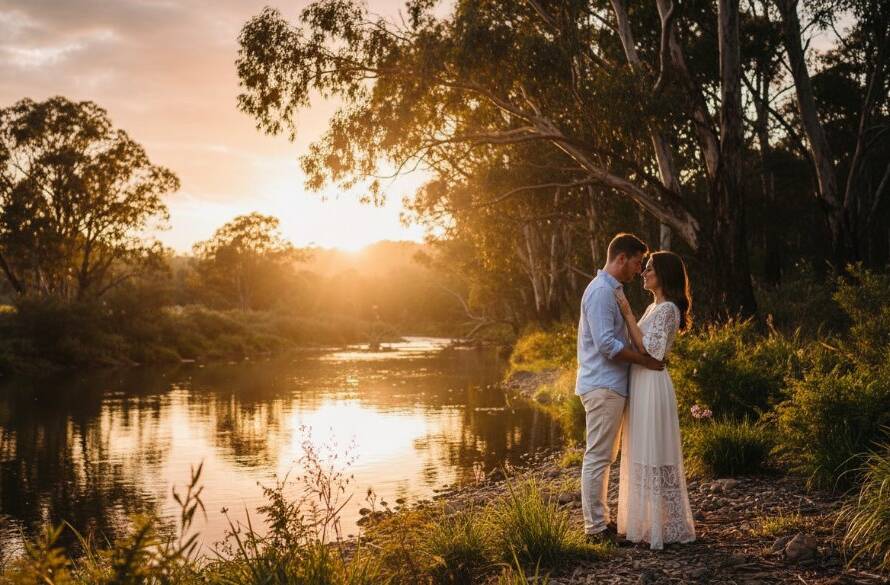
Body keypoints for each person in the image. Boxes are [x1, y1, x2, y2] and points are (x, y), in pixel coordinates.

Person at [576, 233, 665, 543]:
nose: (639, 270)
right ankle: (595, 529)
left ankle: (601, 522)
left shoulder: (612, 291)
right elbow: (607, 345)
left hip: (609, 385)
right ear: (622, 258)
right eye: (638, 263)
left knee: (604, 456)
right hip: (603, 386)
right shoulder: (601, 292)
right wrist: (643, 360)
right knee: (598, 456)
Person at [615, 251, 696, 549]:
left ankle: (667, 527)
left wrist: (626, 314)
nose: (644, 273)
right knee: (640, 449)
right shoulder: (653, 308)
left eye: (649, 269)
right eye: (645, 268)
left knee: (654, 450)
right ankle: (645, 522)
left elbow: (651, 351)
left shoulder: (669, 310)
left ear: (664, 274)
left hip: (653, 384)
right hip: (640, 382)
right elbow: (636, 343)